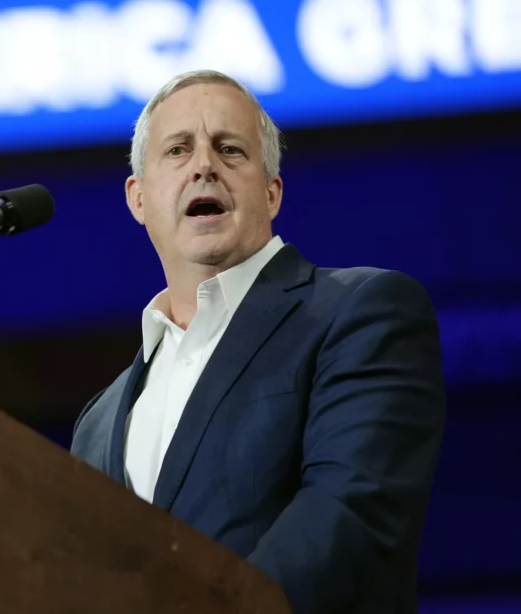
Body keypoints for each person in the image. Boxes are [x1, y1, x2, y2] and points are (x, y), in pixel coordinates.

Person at [69, 69, 445, 614]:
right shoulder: (99, 420)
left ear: (271, 193)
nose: (204, 166)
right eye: (177, 150)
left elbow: (348, 519)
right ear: (139, 199)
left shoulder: (361, 312)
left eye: (230, 149)